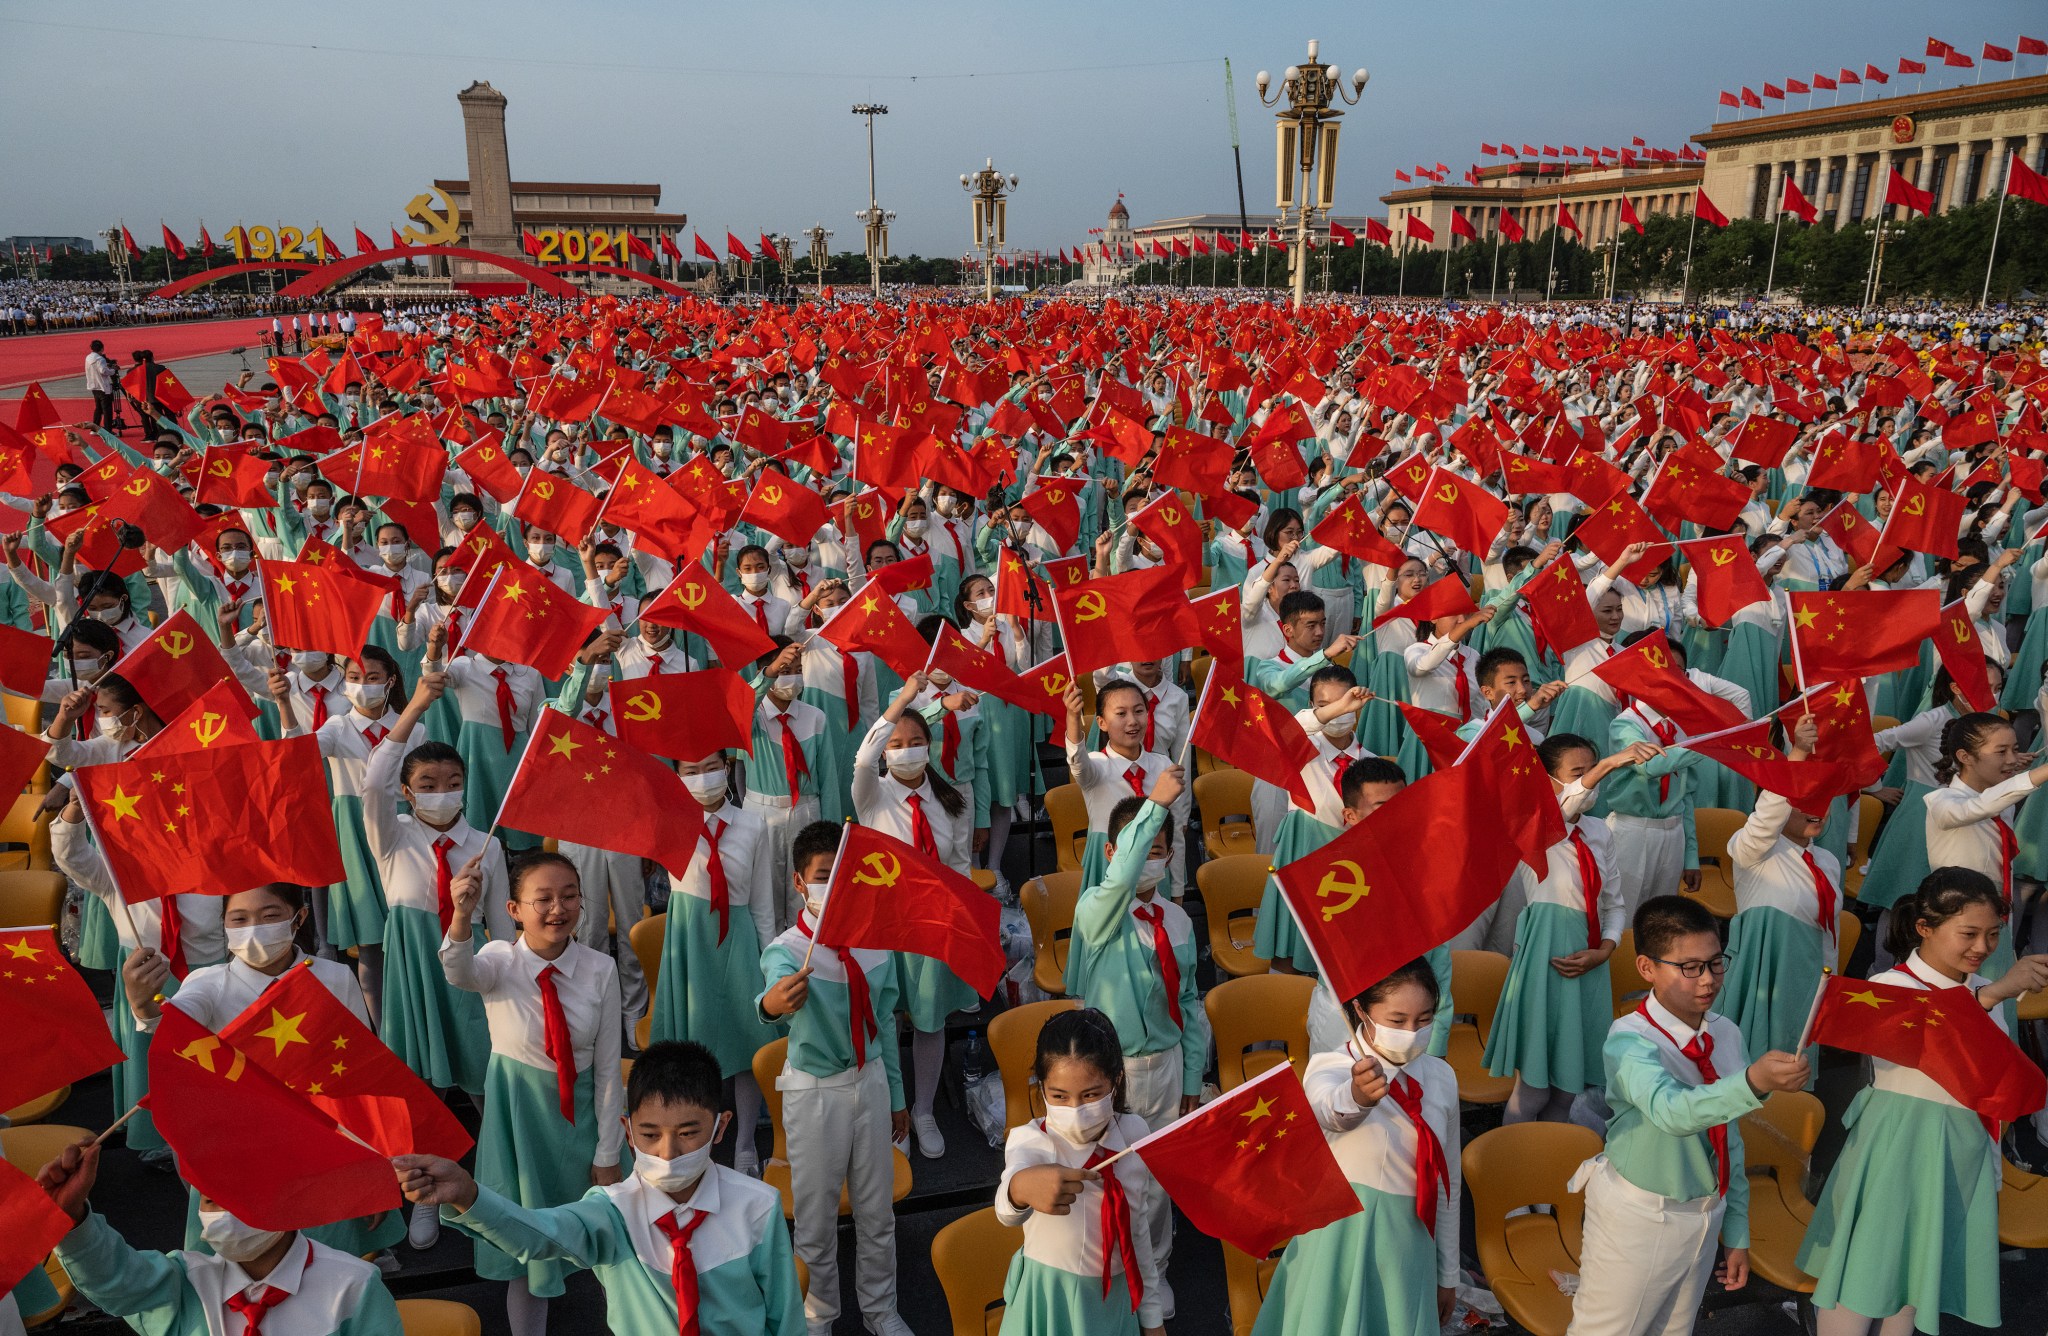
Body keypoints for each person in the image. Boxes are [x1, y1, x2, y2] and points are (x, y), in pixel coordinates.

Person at [395, 1040, 804, 1336]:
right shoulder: (612, 1211)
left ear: (721, 1127)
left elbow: (784, 1317)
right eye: (649, 1134)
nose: (667, 1151)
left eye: (688, 1132)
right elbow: (537, 1235)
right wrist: (468, 1195)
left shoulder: (759, 1205)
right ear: (627, 1132)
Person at [1798, 868, 2048, 1335]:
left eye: (1993, 934)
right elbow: (1937, 1035)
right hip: (1898, 1147)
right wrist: (1994, 994)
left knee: (1915, 1286)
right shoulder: (1890, 988)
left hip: (1955, 1150)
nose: (1982, 947)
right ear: (1925, 928)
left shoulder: (1977, 991)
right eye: (1969, 934)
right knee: (1861, 1281)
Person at [1565, 895, 1810, 1336]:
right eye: (1690, 967)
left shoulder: (1726, 1033)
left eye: (1716, 963)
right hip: (1640, 1217)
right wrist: (1752, 1082)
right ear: (1647, 968)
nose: (1709, 980)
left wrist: (1734, 1228)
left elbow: (1728, 1138)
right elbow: (1672, 1111)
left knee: (1675, 1330)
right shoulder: (1629, 1041)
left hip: (1704, 1213)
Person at [442, 850, 625, 1336]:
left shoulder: (599, 969)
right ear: (514, 909)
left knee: (608, 1237)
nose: (557, 909)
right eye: (542, 899)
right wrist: (462, 914)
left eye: (569, 896)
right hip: (520, 1127)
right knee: (527, 1247)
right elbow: (458, 972)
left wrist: (607, 1152)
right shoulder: (499, 960)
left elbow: (608, 1070)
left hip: (580, 1122)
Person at [756, 821, 910, 1336]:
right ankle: (818, 1315)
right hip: (816, 1094)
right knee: (817, 1220)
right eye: (823, 874)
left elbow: (884, 1022)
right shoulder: (787, 949)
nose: (835, 882)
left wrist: (897, 1095)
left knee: (877, 1212)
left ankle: (880, 1309)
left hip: (869, 1082)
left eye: (843, 872)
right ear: (800, 883)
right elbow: (772, 997)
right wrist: (771, 1004)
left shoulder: (875, 942)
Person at [1254, 959, 1461, 1336]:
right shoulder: (1330, 1065)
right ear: (1362, 1010)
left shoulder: (1442, 1078)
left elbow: (1449, 1185)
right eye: (1397, 1021)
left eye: (1424, 1019)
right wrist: (1358, 1097)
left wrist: (1448, 1273)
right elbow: (1330, 1111)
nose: (1412, 1033)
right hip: (1339, 1247)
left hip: (1406, 1252)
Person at [36, 1137, 401, 1336]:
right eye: (211, 1199)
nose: (223, 1212)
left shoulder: (354, 1287)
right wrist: (71, 1216)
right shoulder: (185, 1281)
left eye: (241, 1194)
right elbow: (114, 1278)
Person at [1485, 734, 1657, 1124]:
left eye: (1591, 769)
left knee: (1570, 1087)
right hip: (1546, 958)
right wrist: (1609, 764)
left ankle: (1549, 1163)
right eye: (1578, 773)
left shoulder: (1600, 832)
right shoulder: (1535, 819)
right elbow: (1566, 806)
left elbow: (1613, 902)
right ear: (1548, 781)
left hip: (1590, 963)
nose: (1589, 782)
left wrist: (1607, 949)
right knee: (1533, 1088)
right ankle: (1514, 1166)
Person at [849, 671, 976, 1160]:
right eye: (897, 743)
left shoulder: (950, 801)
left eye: (917, 741)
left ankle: (923, 1109)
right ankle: (891, 1110)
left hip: (931, 925)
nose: (907, 750)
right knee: (884, 1018)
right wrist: (903, 699)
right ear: (886, 752)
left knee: (929, 1020)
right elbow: (863, 757)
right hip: (882, 925)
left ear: (930, 745)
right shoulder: (872, 795)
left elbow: (961, 867)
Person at [994, 1007, 1167, 1336]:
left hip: (1113, 1300)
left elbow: (1138, 1234)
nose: (1075, 1110)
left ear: (1116, 1080)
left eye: (1091, 1095)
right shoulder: (1032, 1141)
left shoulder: (1134, 1137)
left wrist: (1152, 1315)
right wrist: (1020, 1189)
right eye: (1059, 1096)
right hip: (1048, 1302)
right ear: (1042, 1087)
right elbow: (1006, 1209)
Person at [650, 750, 777, 1176]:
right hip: (688, 940)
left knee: (745, 1042)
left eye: (712, 767)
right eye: (691, 770)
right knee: (690, 1044)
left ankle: (743, 1141)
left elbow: (762, 902)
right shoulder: (669, 818)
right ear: (678, 776)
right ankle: (695, 1140)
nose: (703, 777)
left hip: (737, 939)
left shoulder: (753, 824)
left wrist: (768, 959)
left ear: (728, 767)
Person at [1716, 716, 1838, 1072]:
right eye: (1802, 800)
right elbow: (1767, 816)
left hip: (1807, 974)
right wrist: (1797, 753)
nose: (1816, 809)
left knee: (1795, 1056)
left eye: (1821, 800)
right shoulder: (1753, 850)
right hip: (1762, 973)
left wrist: (1828, 981)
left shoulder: (1827, 862)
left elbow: (1829, 930)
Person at [86, 339, 117, 432]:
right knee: (107, 410)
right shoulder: (100, 359)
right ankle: (108, 430)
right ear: (102, 348)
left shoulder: (88, 357)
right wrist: (113, 370)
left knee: (98, 408)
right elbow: (103, 371)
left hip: (94, 385)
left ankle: (94, 428)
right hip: (103, 386)